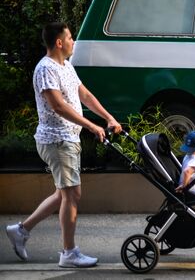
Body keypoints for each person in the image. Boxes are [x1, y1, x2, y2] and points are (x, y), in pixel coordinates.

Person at [5, 22, 122, 267]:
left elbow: (85, 95)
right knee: (72, 194)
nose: (73, 42)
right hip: (56, 139)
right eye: (70, 37)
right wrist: (91, 126)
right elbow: (58, 106)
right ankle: (68, 253)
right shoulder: (45, 69)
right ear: (59, 42)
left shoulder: (65, 66)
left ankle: (21, 230)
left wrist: (108, 117)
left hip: (68, 138)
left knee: (63, 193)